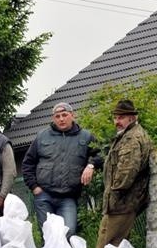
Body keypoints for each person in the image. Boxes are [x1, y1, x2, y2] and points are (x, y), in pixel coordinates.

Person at [21, 101, 102, 237]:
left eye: (64, 115)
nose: (61, 119)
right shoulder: (42, 136)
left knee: (69, 232)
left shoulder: (85, 136)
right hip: (44, 195)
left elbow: (101, 154)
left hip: (68, 197)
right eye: (57, 116)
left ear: (72, 115)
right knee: (48, 235)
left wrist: (91, 165)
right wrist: (34, 187)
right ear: (53, 118)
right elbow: (27, 163)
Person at [94, 99, 152, 248]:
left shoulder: (131, 139)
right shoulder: (127, 135)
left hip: (122, 201)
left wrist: (115, 192)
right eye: (115, 117)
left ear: (131, 118)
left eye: (121, 118)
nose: (116, 121)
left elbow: (126, 172)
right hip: (120, 202)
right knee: (111, 245)